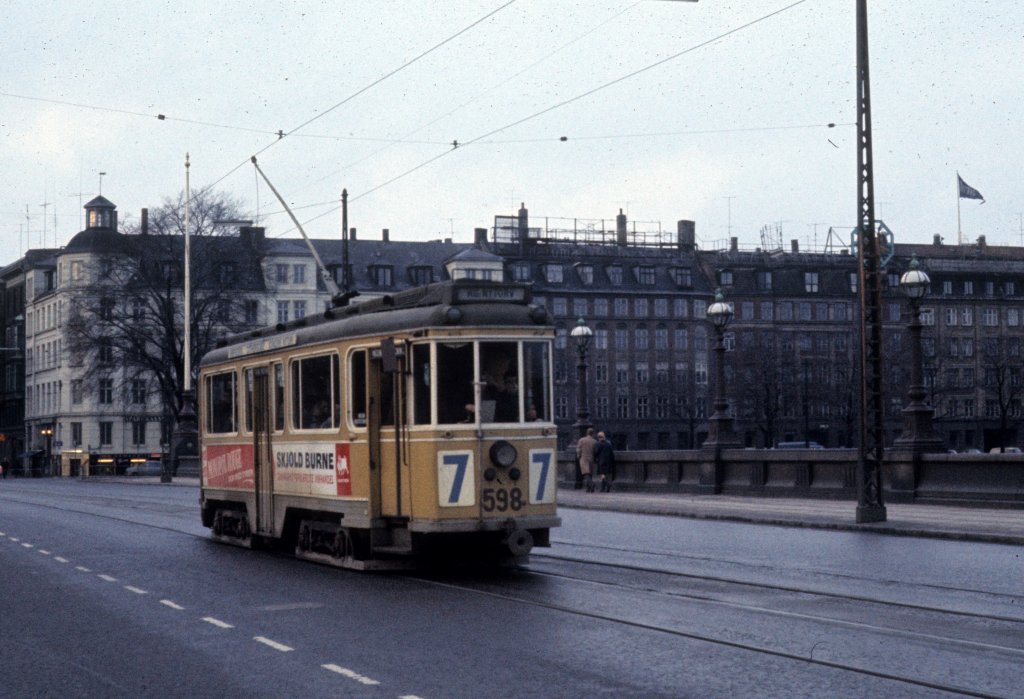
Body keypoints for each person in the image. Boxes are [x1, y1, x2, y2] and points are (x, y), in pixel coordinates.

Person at [576, 428, 597, 493]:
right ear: (592, 433)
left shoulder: (582, 440)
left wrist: (578, 456)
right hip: (591, 458)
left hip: (584, 458)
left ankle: (592, 484)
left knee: (586, 473)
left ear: (587, 432)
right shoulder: (594, 441)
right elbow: (595, 451)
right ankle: (589, 488)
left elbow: (578, 449)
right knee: (590, 473)